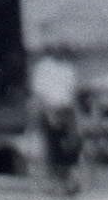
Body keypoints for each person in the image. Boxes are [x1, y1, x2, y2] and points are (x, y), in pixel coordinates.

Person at [28, 52, 81, 191]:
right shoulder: (44, 67)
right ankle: (53, 183)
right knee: (52, 145)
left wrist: (75, 115)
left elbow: (73, 93)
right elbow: (39, 93)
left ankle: (68, 181)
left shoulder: (69, 67)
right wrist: (48, 113)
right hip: (50, 109)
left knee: (70, 145)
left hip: (67, 110)